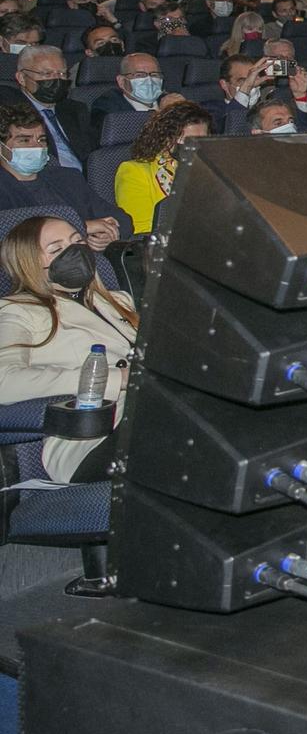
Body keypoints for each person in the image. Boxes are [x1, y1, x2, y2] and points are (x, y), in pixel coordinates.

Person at [0, 216, 138, 482]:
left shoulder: (118, 301)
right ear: (29, 263)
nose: (74, 251)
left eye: (77, 241)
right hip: (92, 439)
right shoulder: (18, 310)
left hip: (147, 415)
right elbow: (4, 380)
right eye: (56, 249)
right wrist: (113, 378)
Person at [0, 105, 125, 248]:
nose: (37, 146)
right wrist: (81, 228)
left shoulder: (68, 178)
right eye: (24, 140)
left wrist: (107, 233)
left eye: (41, 140)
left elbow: (121, 218)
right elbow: (11, 230)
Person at [114, 101, 211, 234]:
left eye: (203, 141)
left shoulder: (211, 171)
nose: (197, 147)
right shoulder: (133, 171)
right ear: (166, 139)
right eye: (190, 140)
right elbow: (142, 230)